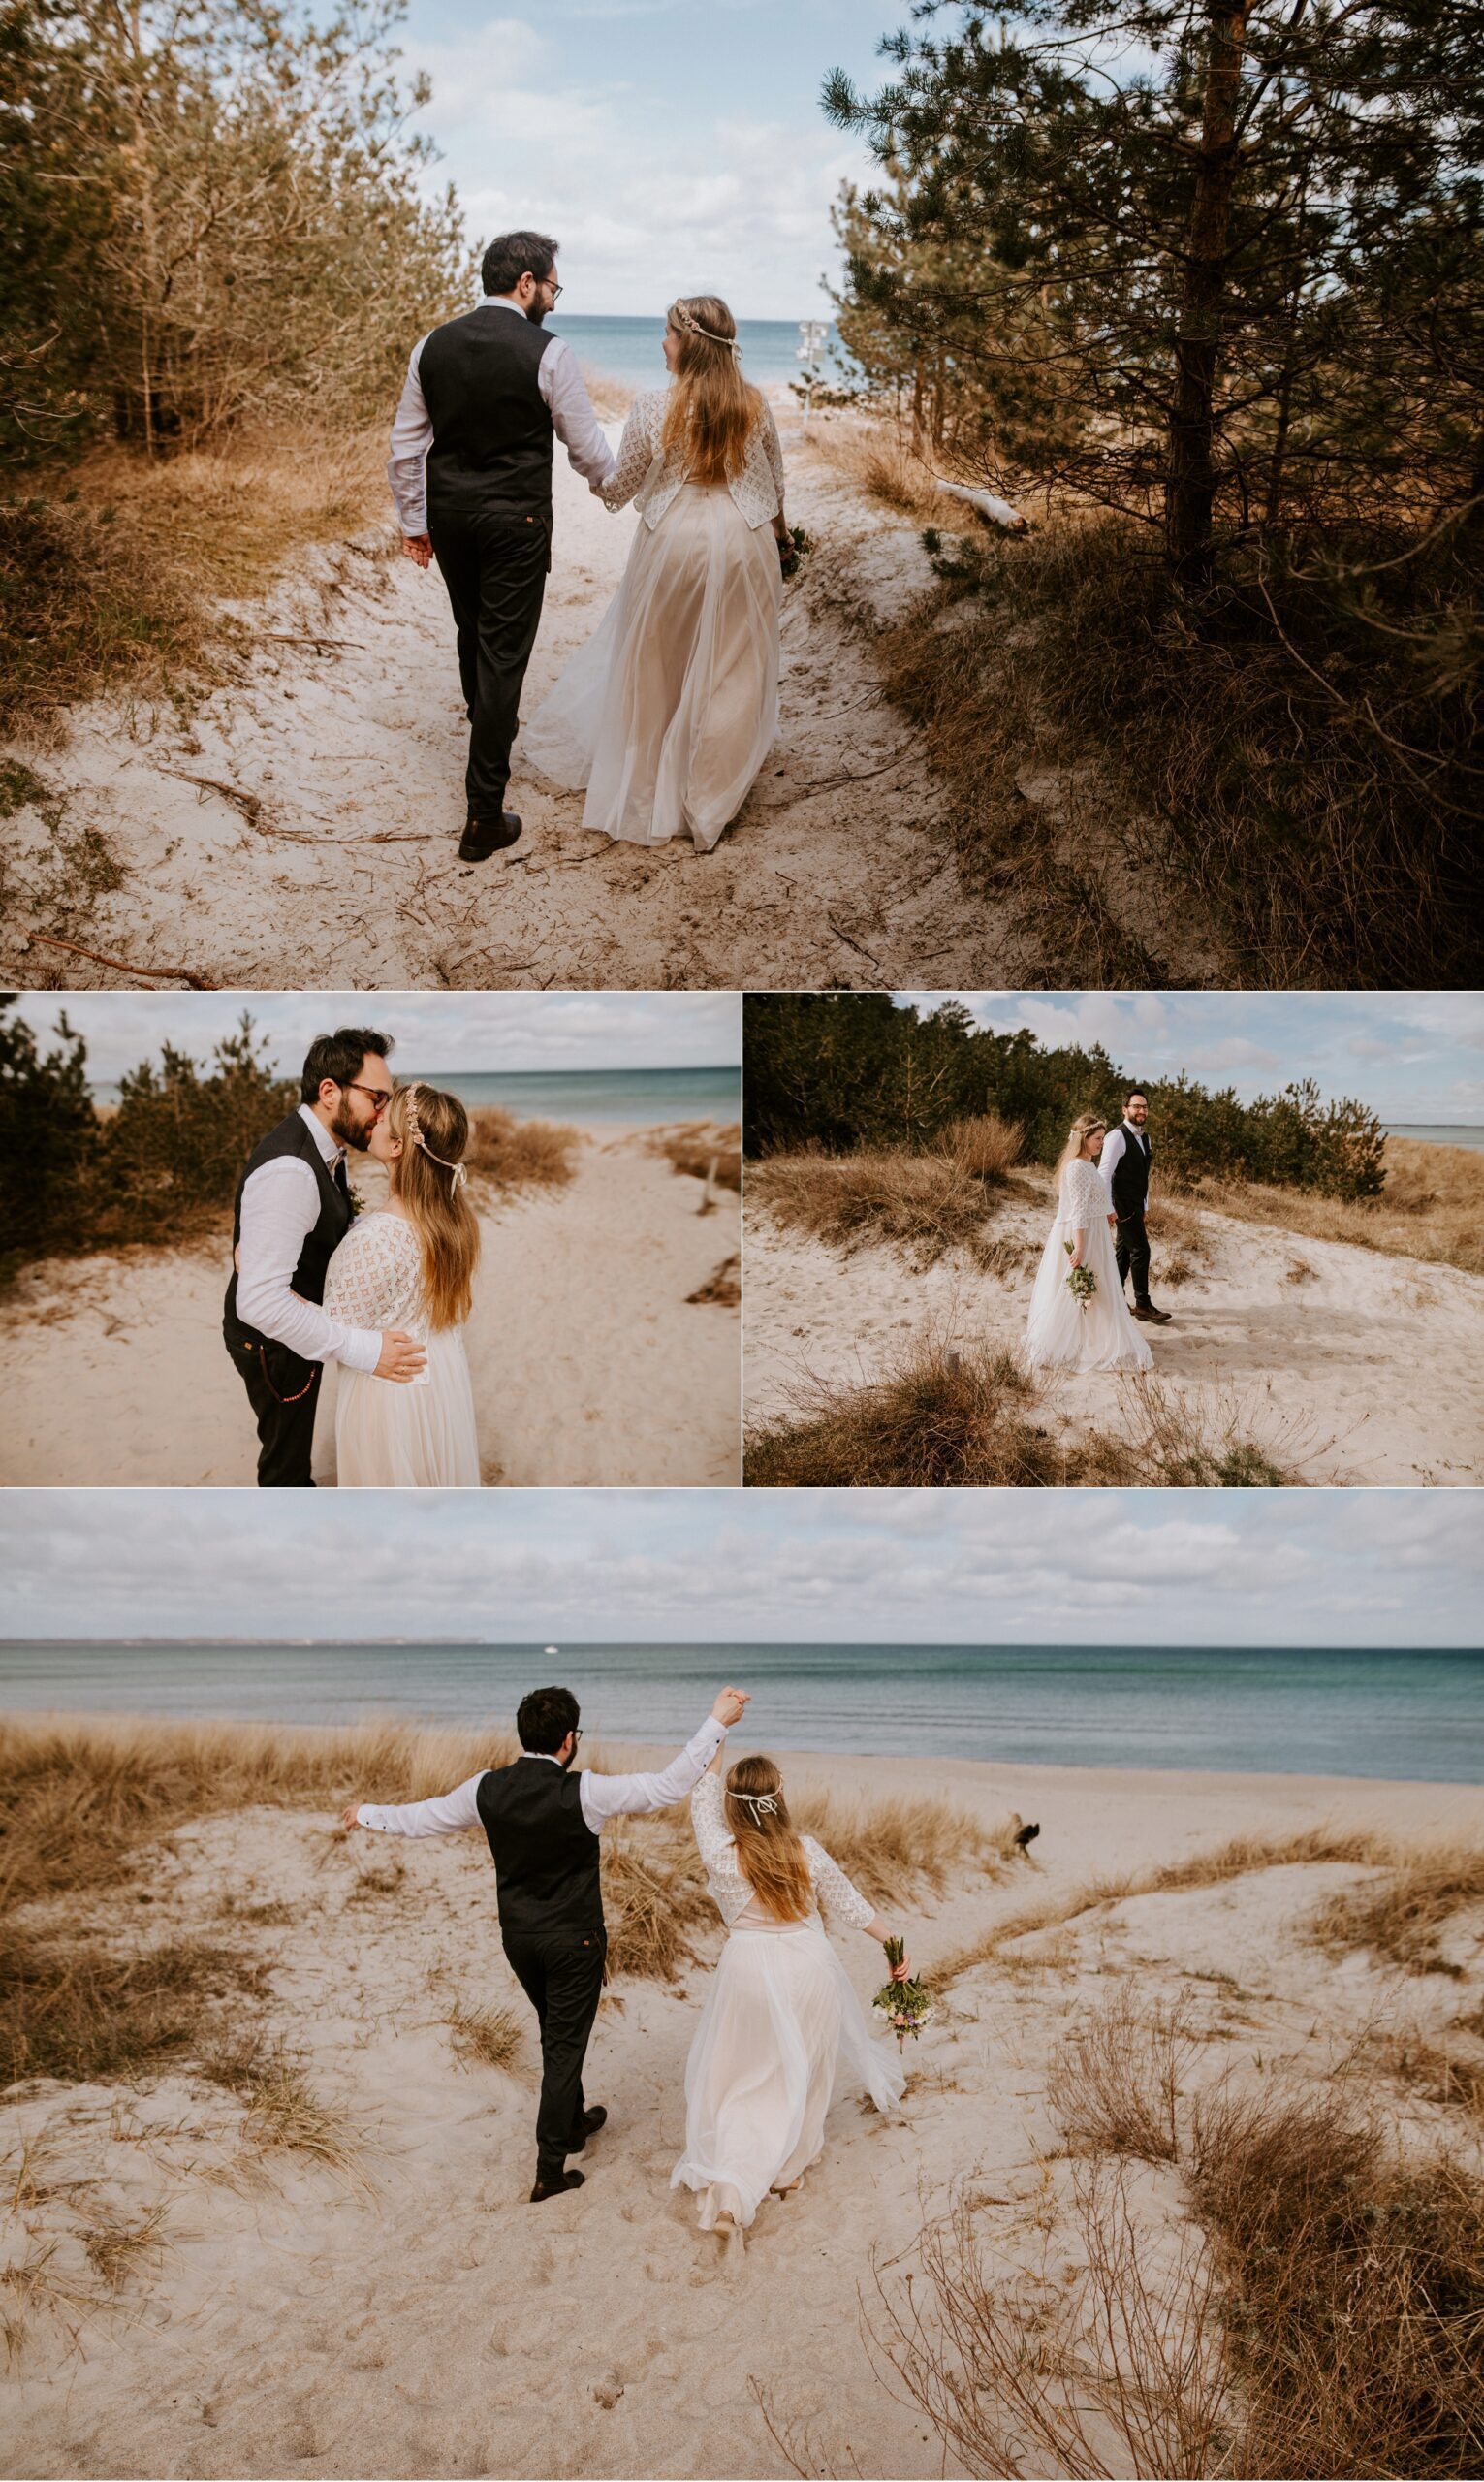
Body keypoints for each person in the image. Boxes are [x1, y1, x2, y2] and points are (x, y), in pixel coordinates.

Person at [342, 1683, 751, 2202]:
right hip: (572, 1942)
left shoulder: (485, 1788)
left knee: (556, 2029)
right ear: (568, 1739)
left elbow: (421, 1818)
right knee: (562, 2045)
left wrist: (368, 1812)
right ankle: (550, 2169)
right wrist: (717, 1722)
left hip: (519, 1940)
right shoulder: (583, 1791)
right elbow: (668, 1786)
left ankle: (576, 2120)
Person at [522, 294, 792, 851]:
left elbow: (620, 487)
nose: (661, 343)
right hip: (745, 541)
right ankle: (709, 798)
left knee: (659, 663)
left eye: (668, 334)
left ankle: (654, 789)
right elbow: (776, 485)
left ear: (688, 343)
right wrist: (784, 540)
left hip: (675, 542)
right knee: (734, 668)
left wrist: (588, 466)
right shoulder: (755, 405)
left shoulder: (653, 406)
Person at [387, 231, 616, 863]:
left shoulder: (432, 345)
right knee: (503, 654)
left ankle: (487, 722)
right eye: (552, 286)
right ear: (526, 283)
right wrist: (618, 489)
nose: (552, 299)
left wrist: (414, 523)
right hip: (515, 522)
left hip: (452, 516)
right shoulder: (548, 352)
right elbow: (587, 450)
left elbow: (406, 446)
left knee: (473, 630)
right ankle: (484, 816)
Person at [672, 1748, 908, 2252]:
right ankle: (785, 2173)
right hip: (808, 1969)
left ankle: (733, 2189)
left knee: (741, 2078)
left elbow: (701, 1803)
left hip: (748, 1973)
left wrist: (716, 1742)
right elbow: (849, 1904)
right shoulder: (806, 1851)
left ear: (733, 1810)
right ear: (780, 1800)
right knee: (805, 2069)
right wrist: (892, 1945)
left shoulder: (720, 1853)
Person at [222, 1030, 426, 1487]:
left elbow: (305, 1228)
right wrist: (365, 1351)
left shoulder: (328, 1145)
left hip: (299, 1330)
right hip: (272, 1346)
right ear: (329, 1091)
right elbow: (259, 1304)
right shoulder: (292, 1169)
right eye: (377, 1097)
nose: (384, 1112)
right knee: (286, 1466)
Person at [317, 1083, 481, 1487]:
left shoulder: (378, 1238)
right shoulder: (453, 1222)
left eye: (384, 1115)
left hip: (390, 1399)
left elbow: (331, 1329)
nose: (375, 1115)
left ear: (396, 1148)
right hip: (438, 1386)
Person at [1025, 1110, 1155, 1372]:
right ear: (1083, 1139)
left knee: (1097, 1288)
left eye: (1103, 1138)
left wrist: (1108, 1210)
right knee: (1081, 1287)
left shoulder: (1086, 1165)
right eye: (1097, 1138)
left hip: (1094, 1231)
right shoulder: (1078, 1168)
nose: (1102, 1143)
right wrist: (1081, 1248)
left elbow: (1094, 1196)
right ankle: (1076, 1340)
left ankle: (1097, 1335)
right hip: (1083, 1235)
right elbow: (1079, 1211)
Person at [1099, 1091, 1172, 1325]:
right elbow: (1105, 1173)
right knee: (1141, 1250)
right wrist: (1107, 1206)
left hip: (1136, 1204)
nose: (1141, 1111)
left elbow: (1143, 1175)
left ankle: (1115, 1298)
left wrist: (1145, 1205)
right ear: (1125, 1109)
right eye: (1136, 1106)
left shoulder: (1146, 1138)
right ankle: (1143, 1305)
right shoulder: (1116, 1136)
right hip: (1121, 1203)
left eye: (1145, 1107)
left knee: (1123, 1252)